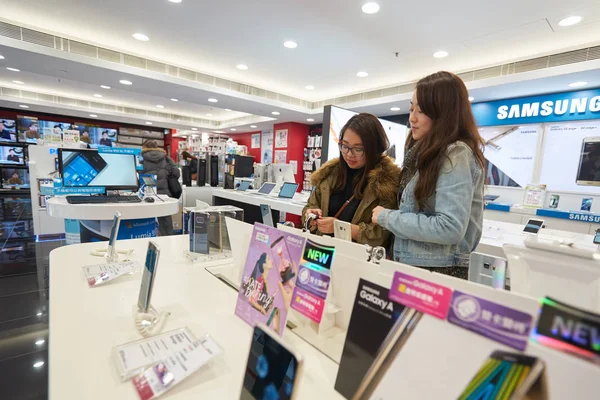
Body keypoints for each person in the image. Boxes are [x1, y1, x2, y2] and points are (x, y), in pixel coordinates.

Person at [372, 71, 485, 280]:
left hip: (438, 272)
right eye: (411, 108)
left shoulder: (455, 154)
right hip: (416, 267)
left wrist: (387, 217)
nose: (412, 118)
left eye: (421, 111)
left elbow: (450, 227)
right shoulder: (425, 153)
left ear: (444, 113)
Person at [302, 113, 401, 247]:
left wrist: (339, 227)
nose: (349, 154)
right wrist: (310, 215)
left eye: (358, 149)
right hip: (321, 251)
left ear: (374, 149)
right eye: (345, 146)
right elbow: (311, 206)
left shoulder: (387, 183)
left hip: (357, 259)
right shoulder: (329, 174)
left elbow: (380, 234)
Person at [141, 140, 180, 236]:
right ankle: (169, 242)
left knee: (144, 220)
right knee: (166, 221)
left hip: (147, 193)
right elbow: (176, 173)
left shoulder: (141, 158)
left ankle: (145, 240)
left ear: (144, 147)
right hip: (164, 195)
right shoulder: (166, 158)